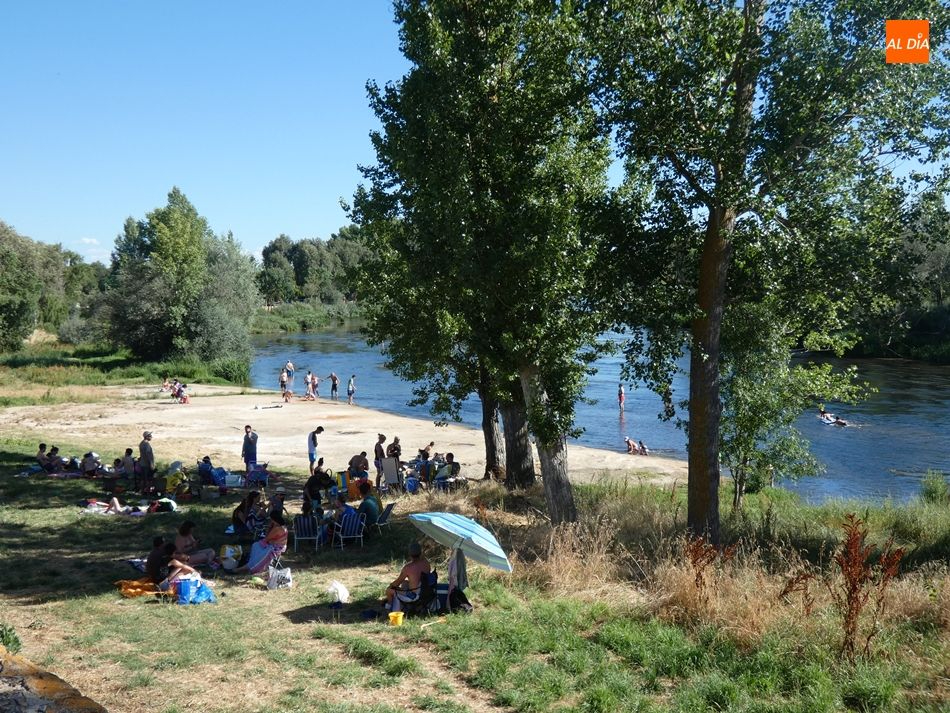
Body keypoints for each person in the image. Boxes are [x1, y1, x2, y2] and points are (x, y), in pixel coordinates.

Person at [385, 541, 431, 611]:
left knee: (389, 590)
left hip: (414, 596)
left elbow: (397, 583)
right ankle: (406, 605)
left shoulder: (408, 568)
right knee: (405, 582)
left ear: (409, 554)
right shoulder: (426, 563)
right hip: (425, 591)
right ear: (420, 553)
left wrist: (391, 585)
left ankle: (389, 607)